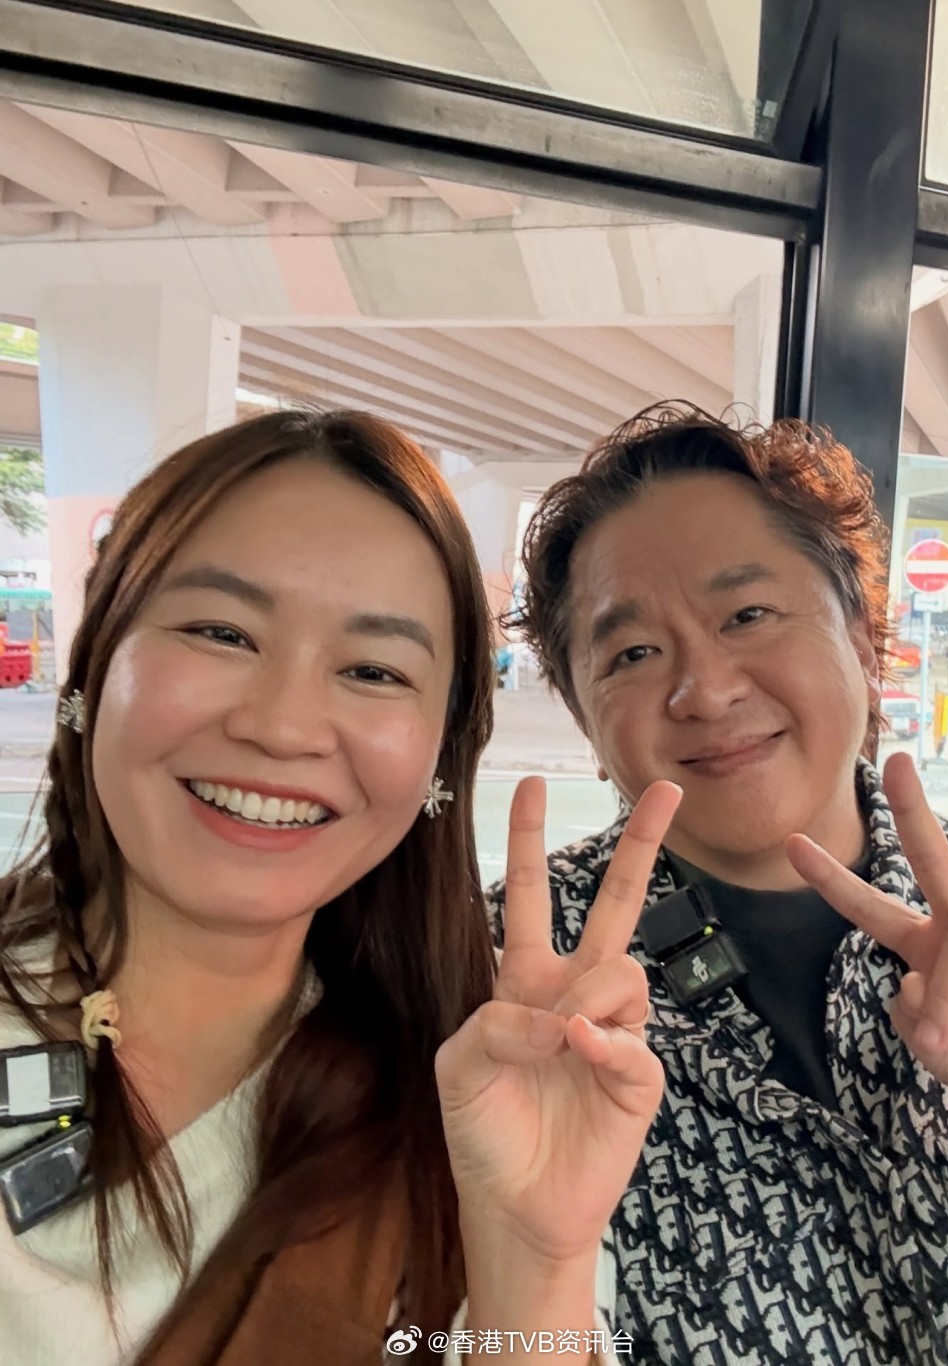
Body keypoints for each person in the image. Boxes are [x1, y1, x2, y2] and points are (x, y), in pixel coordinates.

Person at [0, 408, 682, 1365]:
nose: (283, 728)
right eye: (221, 632)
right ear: (95, 662)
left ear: (441, 754)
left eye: (373, 670)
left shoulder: (480, 1089)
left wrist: (535, 1259)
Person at [486, 403, 948, 1366]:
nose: (706, 690)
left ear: (864, 639)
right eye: (632, 654)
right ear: (584, 716)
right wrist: (524, 1260)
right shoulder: (508, 983)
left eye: (748, 615)